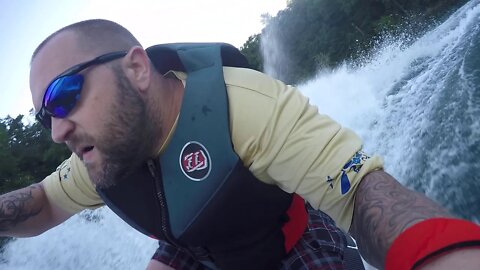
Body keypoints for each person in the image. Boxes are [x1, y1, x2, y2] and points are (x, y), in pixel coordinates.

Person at [1, 19, 479, 270]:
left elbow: (363, 195)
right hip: (194, 246)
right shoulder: (96, 153)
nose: (57, 129)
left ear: (137, 69)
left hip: (287, 245)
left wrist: (439, 254)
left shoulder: (244, 109)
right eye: (45, 117)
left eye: (64, 95)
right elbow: (40, 206)